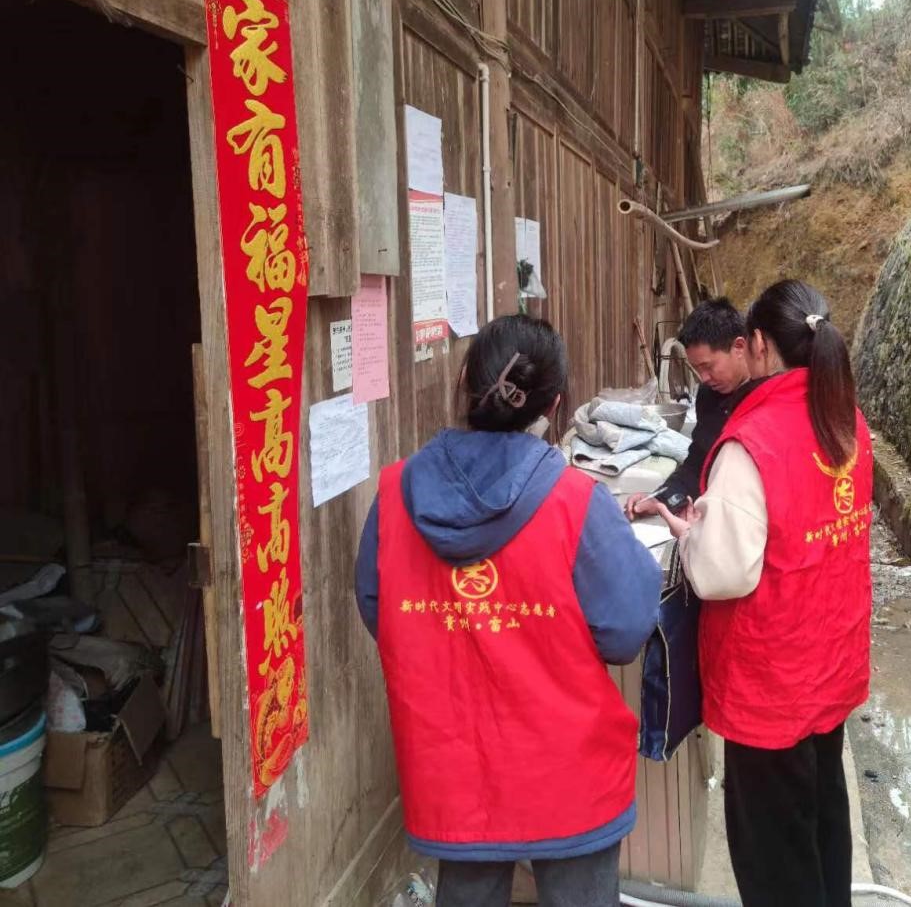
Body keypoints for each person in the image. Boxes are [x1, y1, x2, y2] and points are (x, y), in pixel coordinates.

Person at [355, 314, 663, 907]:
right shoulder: (576, 502)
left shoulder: (394, 494)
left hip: (452, 768)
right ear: (555, 404)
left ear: (465, 380)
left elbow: (379, 609)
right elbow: (626, 631)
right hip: (570, 774)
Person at [656, 280, 873, 907]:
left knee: (775, 858)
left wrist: (690, 537)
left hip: (770, 684)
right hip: (829, 665)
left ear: (756, 343)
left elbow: (723, 572)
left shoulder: (754, 441)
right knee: (823, 819)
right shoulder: (845, 419)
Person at [623, 297, 754, 520]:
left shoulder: (769, 399)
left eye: (708, 366)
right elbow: (698, 464)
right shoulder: (709, 396)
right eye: (697, 369)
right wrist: (660, 499)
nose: (704, 378)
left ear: (739, 347)